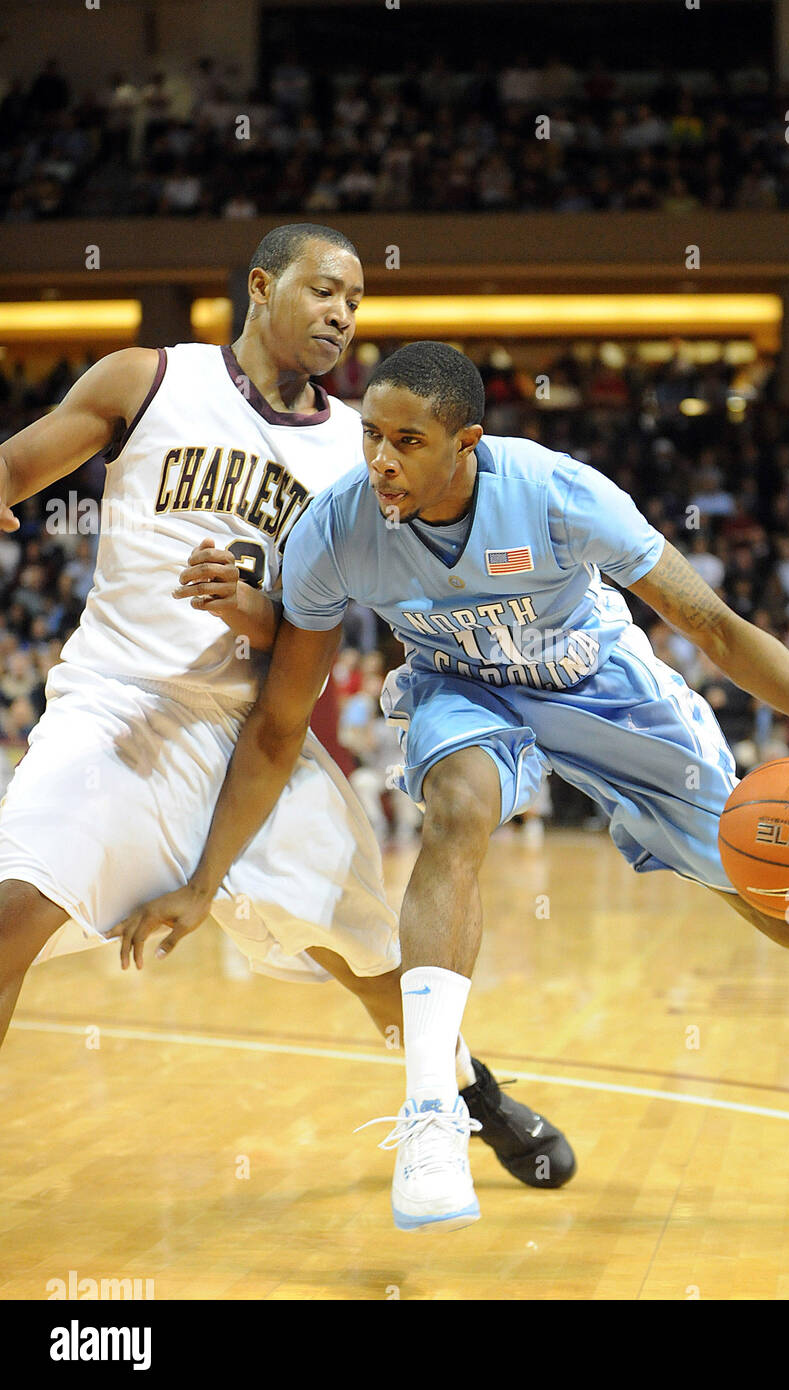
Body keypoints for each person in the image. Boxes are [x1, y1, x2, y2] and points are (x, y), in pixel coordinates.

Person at [117, 342, 789, 1234]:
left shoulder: (556, 493)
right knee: (455, 809)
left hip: (606, 691)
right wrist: (207, 876)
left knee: (783, 899)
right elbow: (286, 703)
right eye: (370, 434)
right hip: (466, 693)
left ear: (467, 443)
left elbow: (707, 622)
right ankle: (428, 1115)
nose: (380, 459)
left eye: (406, 441)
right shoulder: (337, 530)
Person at [0, 230, 572, 1195]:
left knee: (368, 957)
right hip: (119, 707)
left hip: (255, 728)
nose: (343, 315)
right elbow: (14, 471)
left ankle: (464, 1089)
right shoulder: (148, 378)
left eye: (356, 300)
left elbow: (318, 645)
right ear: (262, 287)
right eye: (324, 290)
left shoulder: (358, 463)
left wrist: (254, 612)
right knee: (11, 917)